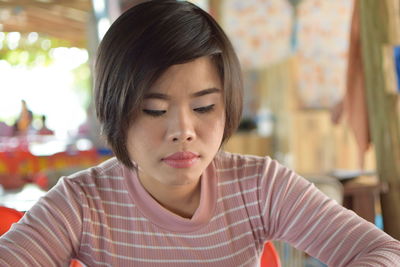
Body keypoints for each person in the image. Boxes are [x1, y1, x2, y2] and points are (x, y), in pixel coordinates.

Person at [0, 1, 399, 266]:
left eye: (204, 107)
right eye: (154, 110)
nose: (184, 131)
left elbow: (381, 250)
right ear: (115, 114)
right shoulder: (82, 204)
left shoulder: (258, 187)